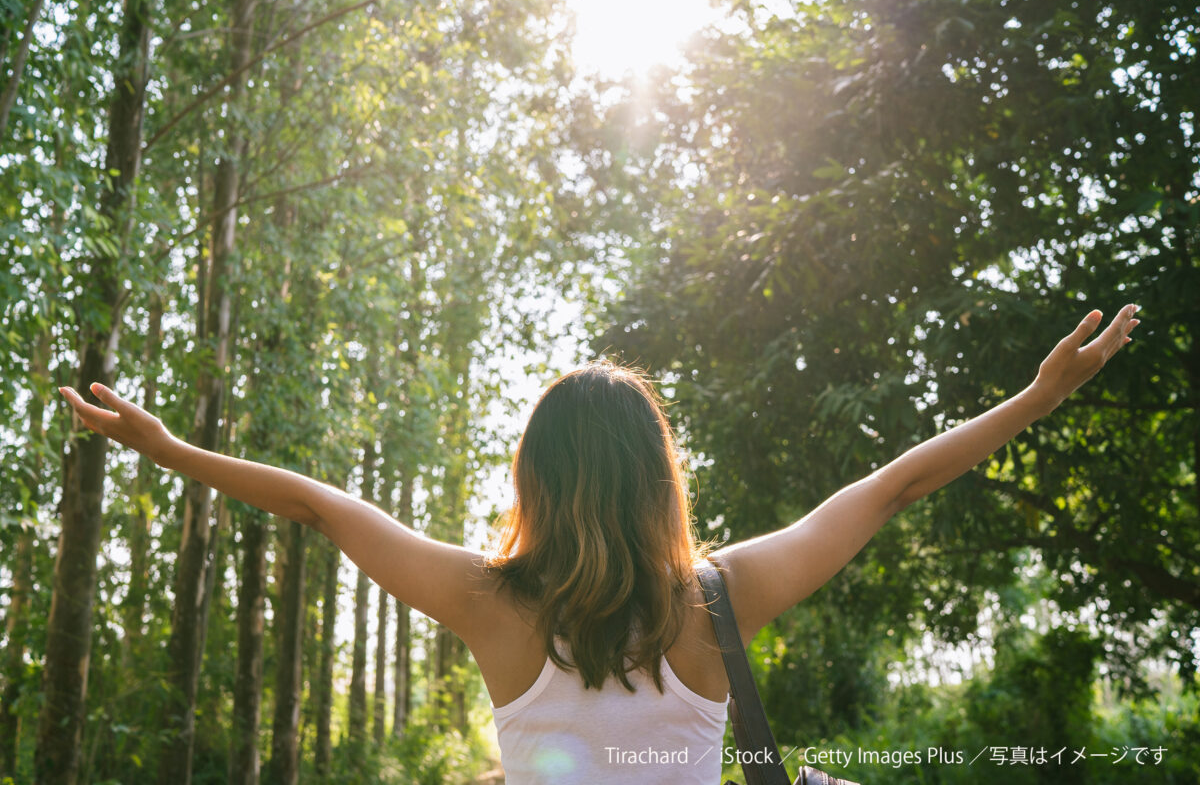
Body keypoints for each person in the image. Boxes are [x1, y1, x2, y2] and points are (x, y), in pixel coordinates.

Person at [59, 304, 1140, 784]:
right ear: (658, 472)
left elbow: (320, 506)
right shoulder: (721, 597)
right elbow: (894, 485)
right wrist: (1037, 396)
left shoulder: (490, 602)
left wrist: (167, 445)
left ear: (535, 474)